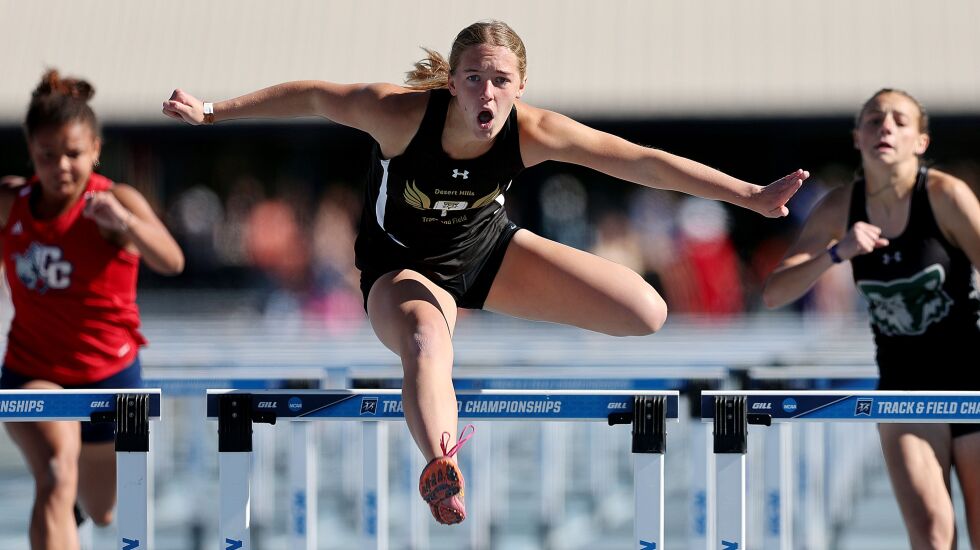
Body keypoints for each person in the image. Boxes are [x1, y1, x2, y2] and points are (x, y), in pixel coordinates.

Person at [163, 20, 807, 525]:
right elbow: (310, 95)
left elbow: (640, 162)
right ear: (452, 82)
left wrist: (747, 196)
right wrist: (215, 112)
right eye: (473, 79)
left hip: (486, 253)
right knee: (424, 342)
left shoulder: (535, 130)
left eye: (500, 80)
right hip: (402, 268)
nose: (486, 94)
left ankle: (464, 337)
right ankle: (443, 465)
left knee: (647, 312)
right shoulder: (397, 113)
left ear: (521, 86)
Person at [763, 89, 980, 548]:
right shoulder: (841, 207)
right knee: (933, 536)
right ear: (857, 138)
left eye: (900, 120)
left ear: (920, 141)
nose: (886, 127)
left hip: (971, 381)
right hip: (904, 387)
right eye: (874, 120)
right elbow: (775, 293)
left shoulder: (946, 196)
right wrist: (836, 252)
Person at [1, 70, 184, 550]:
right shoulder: (10, 203)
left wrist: (125, 224)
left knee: (102, 509)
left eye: (73, 155)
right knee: (57, 472)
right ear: (31, 155)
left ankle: (72, 512)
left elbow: (172, 260)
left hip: (110, 375)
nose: (61, 166)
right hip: (32, 369)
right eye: (47, 156)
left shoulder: (115, 200)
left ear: (96, 151)